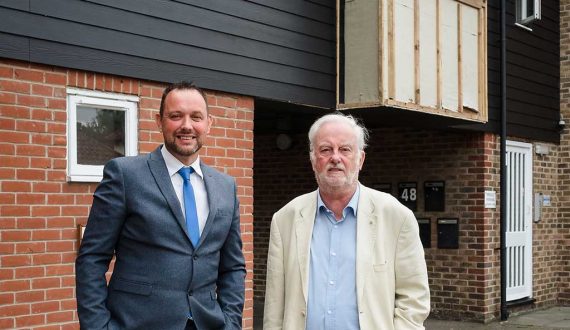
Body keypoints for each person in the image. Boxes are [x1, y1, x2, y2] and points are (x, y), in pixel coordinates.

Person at [76, 81, 246, 330]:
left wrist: (231, 323)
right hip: (136, 323)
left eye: (196, 117)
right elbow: (91, 258)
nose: (186, 125)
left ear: (209, 123)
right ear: (159, 121)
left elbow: (233, 267)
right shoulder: (125, 175)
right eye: (176, 116)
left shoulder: (226, 187)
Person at [263, 113, 430, 330]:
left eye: (345, 149)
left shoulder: (396, 217)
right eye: (325, 149)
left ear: (360, 159)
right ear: (313, 160)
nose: (335, 157)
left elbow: (413, 299)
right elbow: (274, 306)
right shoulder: (285, 219)